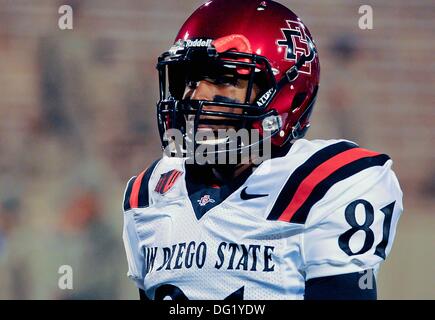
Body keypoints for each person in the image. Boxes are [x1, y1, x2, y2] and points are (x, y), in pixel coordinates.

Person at [122, 0, 403, 300]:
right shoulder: (150, 193)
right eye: (189, 79)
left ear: (287, 97)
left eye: (224, 78)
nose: (196, 95)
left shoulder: (331, 184)